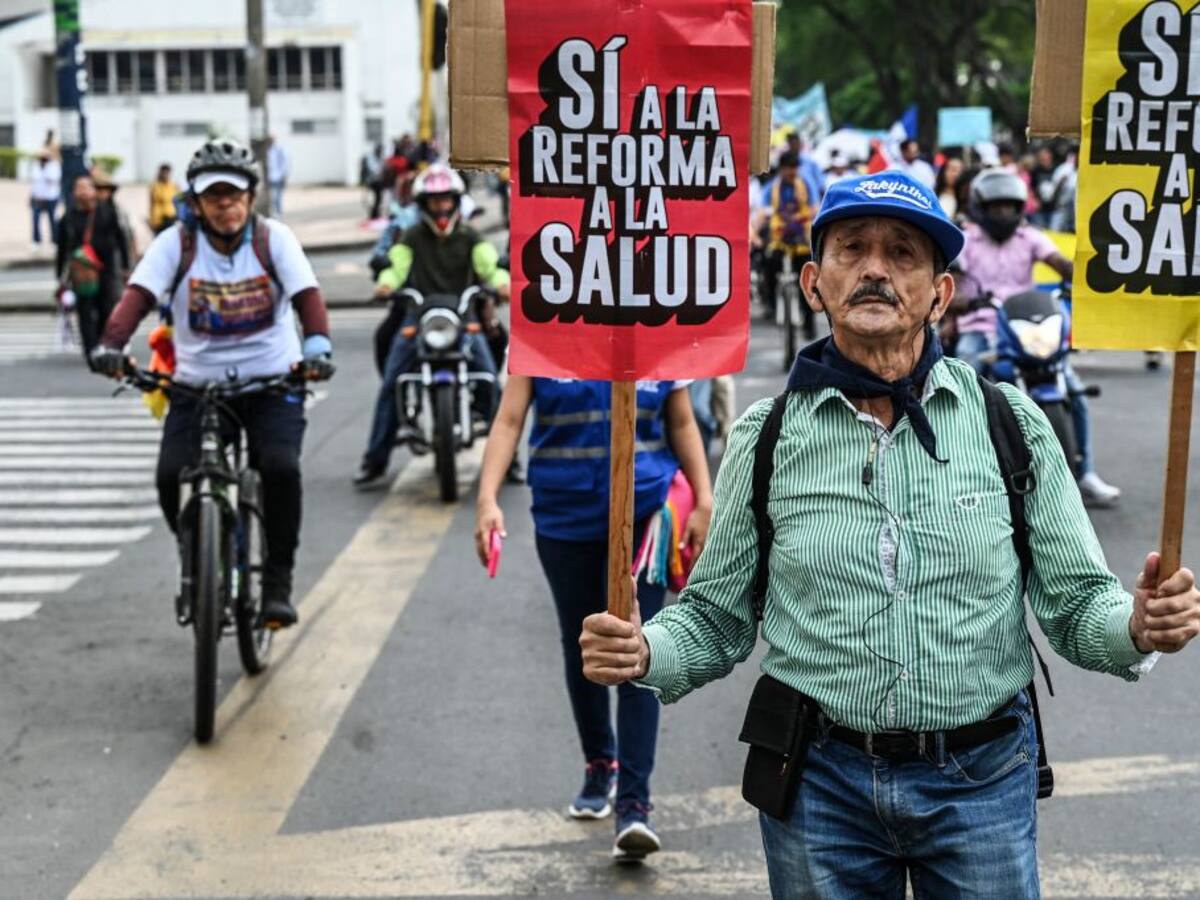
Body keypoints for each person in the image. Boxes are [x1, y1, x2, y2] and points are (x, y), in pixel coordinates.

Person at [579, 170, 1200, 898]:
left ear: (940, 293)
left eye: (904, 253)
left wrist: (1136, 623)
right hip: (817, 782)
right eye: (853, 249)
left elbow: (1077, 605)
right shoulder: (766, 436)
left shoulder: (1011, 425)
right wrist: (647, 648)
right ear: (814, 283)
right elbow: (715, 620)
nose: (876, 268)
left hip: (983, 781)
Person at [89, 139, 335, 629]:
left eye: (236, 194)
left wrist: (318, 348)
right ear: (197, 203)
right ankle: (199, 555)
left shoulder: (274, 240)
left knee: (280, 468)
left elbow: (308, 297)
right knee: (170, 475)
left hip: (273, 381)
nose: (227, 204)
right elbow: (136, 298)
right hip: (196, 388)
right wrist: (111, 345)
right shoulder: (176, 245)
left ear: (251, 196)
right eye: (214, 196)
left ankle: (278, 584)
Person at [475, 376, 713, 862]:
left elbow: (683, 420)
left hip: (645, 513)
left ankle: (634, 803)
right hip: (563, 519)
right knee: (580, 643)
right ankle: (600, 763)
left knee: (634, 647)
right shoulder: (544, 330)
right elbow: (510, 419)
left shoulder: (654, 327)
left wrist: (705, 497)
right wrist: (487, 498)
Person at [956, 169, 1120, 506]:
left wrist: (1090, 269)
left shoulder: (1029, 237)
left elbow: (1059, 262)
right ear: (980, 207)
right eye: (996, 207)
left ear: (1020, 208)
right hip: (981, 325)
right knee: (960, 380)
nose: (1003, 214)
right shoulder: (965, 241)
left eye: (1009, 206)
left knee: (1072, 387)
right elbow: (951, 281)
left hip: (1026, 325)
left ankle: (1085, 472)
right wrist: (962, 299)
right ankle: (960, 470)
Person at [354, 164, 508, 487]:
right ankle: (375, 459)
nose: (441, 207)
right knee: (392, 383)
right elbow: (396, 267)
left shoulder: (470, 236)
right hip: (419, 317)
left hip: (463, 320)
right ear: (423, 204)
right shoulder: (411, 237)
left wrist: (502, 283)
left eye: (446, 200)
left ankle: (510, 460)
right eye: (434, 201)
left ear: (455, 202)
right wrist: (386, 284)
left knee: (490, 381)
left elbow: (489, 267)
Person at [56, 173, 129, 362]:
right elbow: (62, 247)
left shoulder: (107, 212)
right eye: (78, 188)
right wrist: (60, 274)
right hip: (82, 271)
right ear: (73, 193)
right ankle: (90, 348)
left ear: (93, 191)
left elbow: (121, 239)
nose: (83, 191)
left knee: (106, 307)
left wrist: (125, 265)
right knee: (85, 309)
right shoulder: (68, 217)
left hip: (106, 268)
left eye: (86, 187)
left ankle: (103, 344)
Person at [760, 152, 815, 336]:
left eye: (794, 168)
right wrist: (755, 235)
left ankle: (809, 323)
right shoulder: (771, 188)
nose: (792, 172)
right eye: (788, 168)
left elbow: (815, 207)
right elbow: (762, 212)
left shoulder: (806, 184)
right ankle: (772, 305)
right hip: (779, 236)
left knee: (807, 276)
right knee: (769, 264)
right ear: (782, 169)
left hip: (801, 237)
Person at [30, 150, 61, 251]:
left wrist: (45, 170)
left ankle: (55, 241)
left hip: (50, 198)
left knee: (52, 220)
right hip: (37, 198)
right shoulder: (36, 166)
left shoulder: (54, 166)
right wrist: (32, 196)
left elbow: (53, 180)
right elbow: (34, 183)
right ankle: (36, 241)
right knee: (35, 219)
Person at [149, 163, 181, 234]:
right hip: (160, 219)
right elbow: (153, 203)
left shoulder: (173, 186)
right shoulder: (155, 186)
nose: (166, 175)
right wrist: (152, 220)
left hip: (172, 217)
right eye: (164, 172)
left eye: (168, 172)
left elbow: (179, 199)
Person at [361, 143, 386, 220]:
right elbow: (375, 169)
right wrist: (381, 171)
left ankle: (376, 214)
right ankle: (372, 214)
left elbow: (382, 168)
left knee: (379, 198)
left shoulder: (380, 157)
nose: (380, 152)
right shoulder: (370, 158)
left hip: (378, 181)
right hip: (371, 181)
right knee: (373, 199)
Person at [266, 135, 290, 216]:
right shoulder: (266, 150)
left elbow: (285, 163)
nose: (269, 141)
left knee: (278, 196)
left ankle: (279, 213)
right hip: (269, 177)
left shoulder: (279, 149)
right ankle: (274, 213)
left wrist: (284, 176)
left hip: (278, 177)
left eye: (270, 140)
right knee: (272, 197)